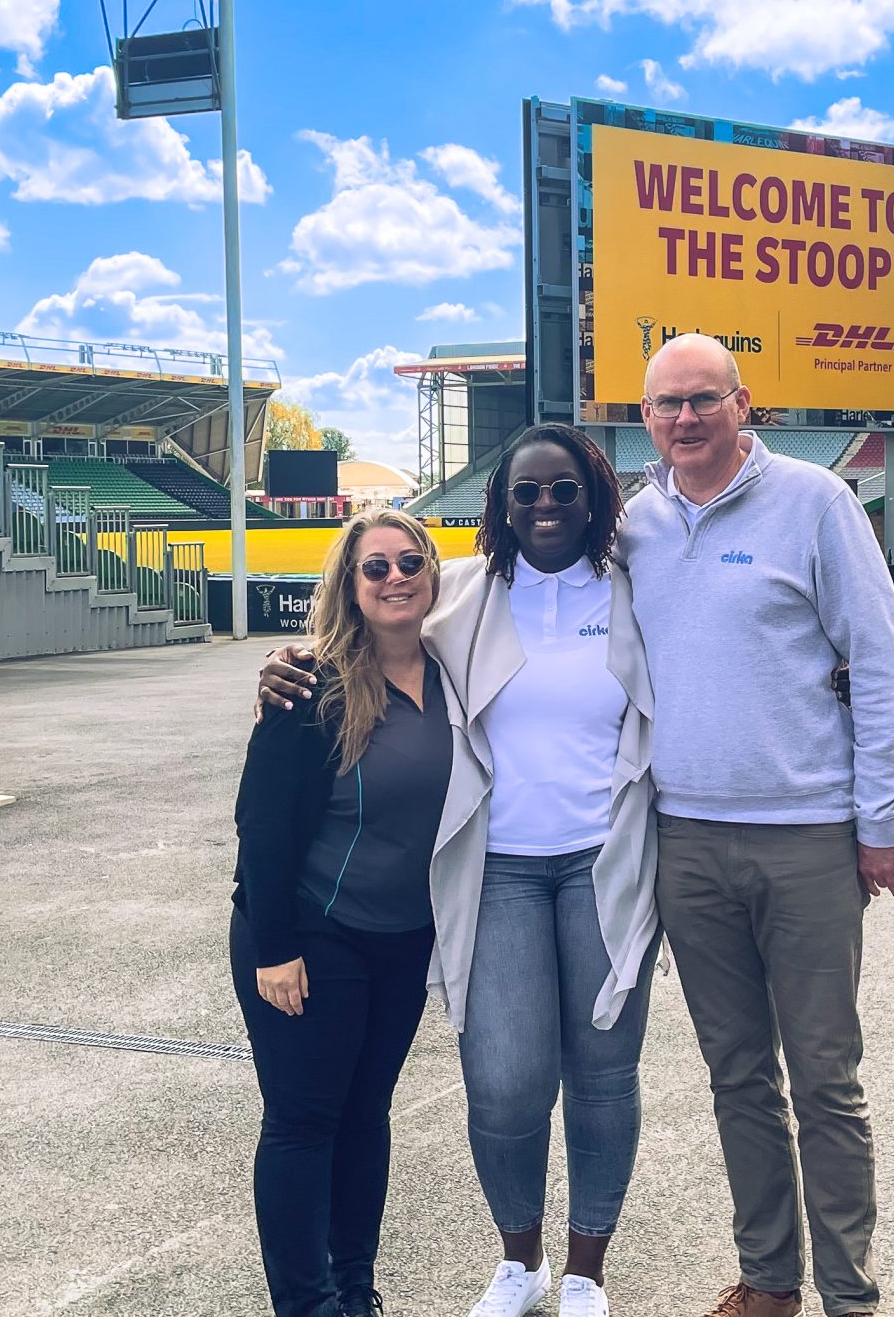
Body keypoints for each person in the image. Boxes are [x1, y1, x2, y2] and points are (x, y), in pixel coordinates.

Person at [261, 427, 661, 1317]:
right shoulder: (464, 594)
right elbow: (367, 632)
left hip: (608, 863)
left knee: (603, 1075)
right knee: (505, 1078)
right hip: (502, 872)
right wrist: (287, 666)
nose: (546, 508)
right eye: (527, 494)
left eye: (564, 491)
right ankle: (520, 1262)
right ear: (500, 507)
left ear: (593, 496)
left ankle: (588, 1270)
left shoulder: (640, 589)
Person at [627, 334, 894, 1317]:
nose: (684, 418)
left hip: (807, 841)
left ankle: (849, 1292)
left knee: (826, 1083)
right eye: (666, 403)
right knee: (737, 1078)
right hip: (687, 845)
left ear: (742, 402)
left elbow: (883, 668)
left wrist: (875, 821)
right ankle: (768, 1279)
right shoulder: (636, 527)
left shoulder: (815, 504)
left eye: (703, 399)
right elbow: (517, 600)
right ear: (645, 417)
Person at [232, 507, 454, 1317]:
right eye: (375, 567)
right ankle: (307, 1304)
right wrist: (273, 947)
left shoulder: (458, 668)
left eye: (410, 563)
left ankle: (353, 1294)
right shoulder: (310, 684)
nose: (396, 577)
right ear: (349, 586)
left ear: (434, 573)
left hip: (402, 941)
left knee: (366, 1119)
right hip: (309, 934)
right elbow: (259, 824)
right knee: (303, 1120)